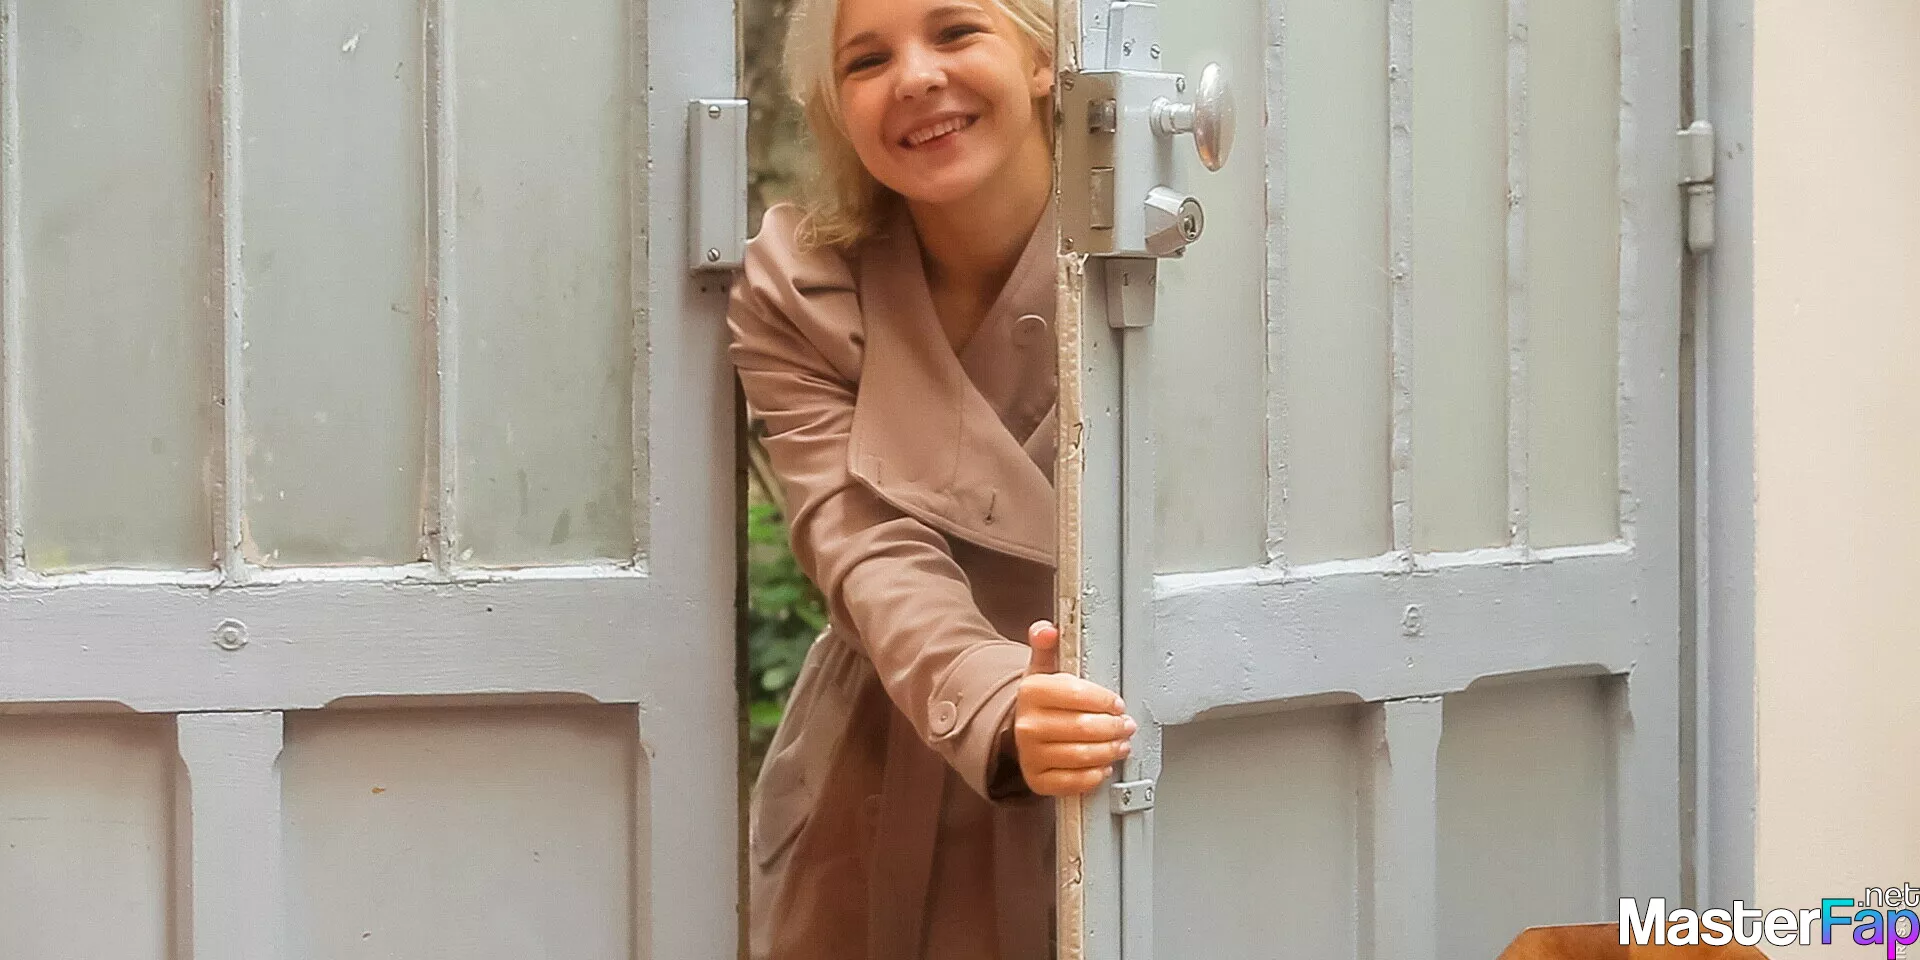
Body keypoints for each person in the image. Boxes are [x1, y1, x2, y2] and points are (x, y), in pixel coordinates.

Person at [726, 0, 1137, 955]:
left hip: (1122, 754)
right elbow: (862, 542)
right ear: (838, 107)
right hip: (881, 781)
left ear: (1043, 60)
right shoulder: (799, 288)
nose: (915, 78)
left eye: (955, 33)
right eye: (866, 61)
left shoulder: (1157, 256)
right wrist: (995, 701)